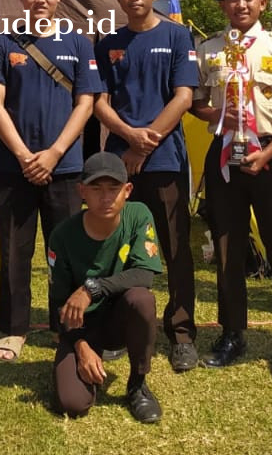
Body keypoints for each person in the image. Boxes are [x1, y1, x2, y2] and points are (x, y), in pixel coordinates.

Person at [189, 0, 272, 379]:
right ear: (223, 5)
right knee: (228, 248)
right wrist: (218, 115)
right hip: (225, 156)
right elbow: (196, 101)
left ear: (262, 3)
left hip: (271, 153)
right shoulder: (208, 50)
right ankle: (232, 332)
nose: (240, 5)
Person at [0, 0, 103, 363]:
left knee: (66, 252)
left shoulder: (78, 43)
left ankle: (64, 325)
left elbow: (85, 103)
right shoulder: (2, 43)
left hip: (65, 167)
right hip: (14, 166)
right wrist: (22, 154)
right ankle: (15, 329)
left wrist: (53, 153)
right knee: (15, 250)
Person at [93, 0, 199, 372]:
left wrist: (145, 141)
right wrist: (128, 136)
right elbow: (98, 101)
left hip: (165, 159)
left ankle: (182, 332)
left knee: (174, 247)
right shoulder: (108, 44)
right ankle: (119, 329)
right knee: (117, 248)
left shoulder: (177, 36)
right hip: (118, 163)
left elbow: (184, 97)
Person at [49, 152, 164, 424]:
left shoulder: (138, 216)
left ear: (127, 190)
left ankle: (137, 384)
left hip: (119, 319)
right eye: (96, 189)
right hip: (81, 326)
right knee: (72, 403)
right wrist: (80, 346)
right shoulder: (62, 236)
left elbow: (145, 274)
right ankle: (84, 363)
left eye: (113, 188)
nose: (105, 197)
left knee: (142, 299)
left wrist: (91, 288)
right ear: (81, 192)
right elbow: (58, 303)